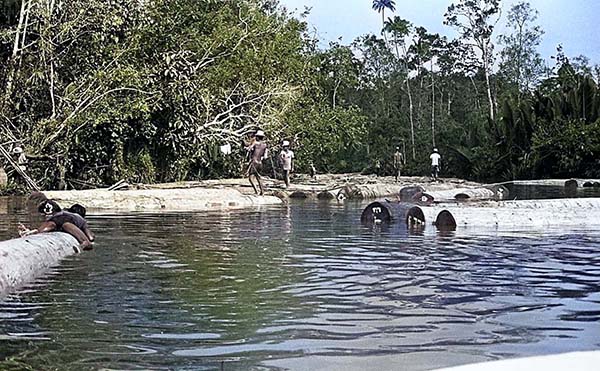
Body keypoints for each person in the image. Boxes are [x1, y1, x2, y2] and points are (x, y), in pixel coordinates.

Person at [19, 199, 95, 251]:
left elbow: (54, 221)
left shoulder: (62, 213)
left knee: (52, 224)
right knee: (66, 225)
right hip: (67, 222)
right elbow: (91, 238)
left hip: (54, 219)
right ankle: (84, 244)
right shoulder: (80, 219)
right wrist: (90, 236)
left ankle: (32, 231)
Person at [246, 130, 268, 195]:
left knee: (250, 178)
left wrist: (247, 148)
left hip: (254, 162)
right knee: (259, 177)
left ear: (257, 137)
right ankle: (262, 192)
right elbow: (265, 156)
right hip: (260, 163)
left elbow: (249, 149)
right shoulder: (265, 145)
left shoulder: (255, 143)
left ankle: (256, 191)